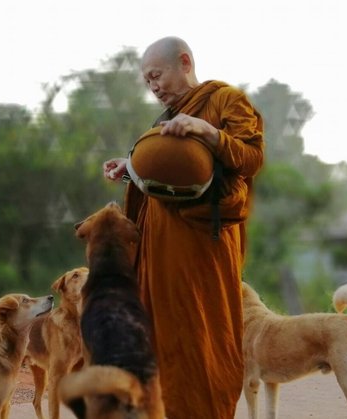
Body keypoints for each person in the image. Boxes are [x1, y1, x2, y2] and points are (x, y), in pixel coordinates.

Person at [103, 36, 264, 419]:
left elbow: (252, 157)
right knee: (159, 342)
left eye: (157, 75)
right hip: (158, 251)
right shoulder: (164, 120)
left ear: (185, 62)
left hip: (201, 249)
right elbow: (169, 176)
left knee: (201, 341)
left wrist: (207, 132)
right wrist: (132, 168)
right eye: (148, 82)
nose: (154, 87)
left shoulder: (225, 100)